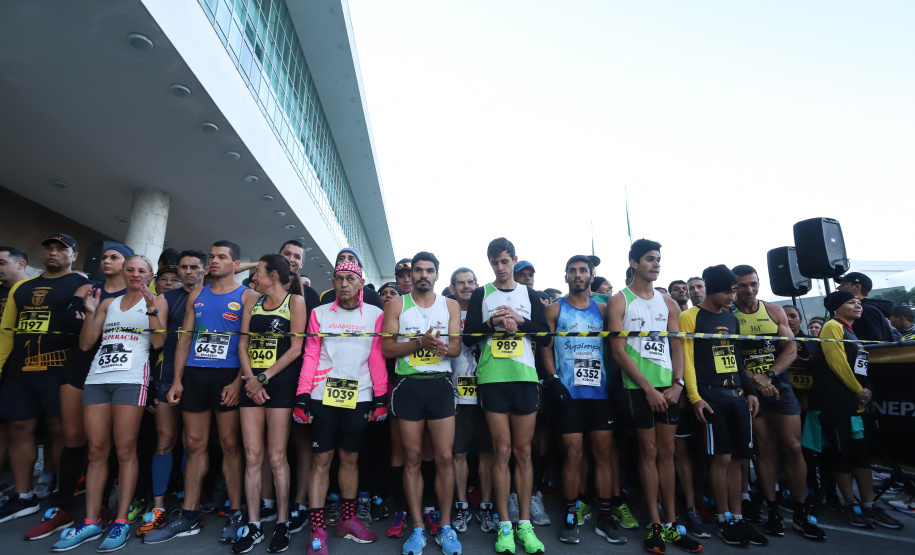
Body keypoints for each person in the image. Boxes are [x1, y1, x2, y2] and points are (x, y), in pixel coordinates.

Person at [51, 255, 167, 551]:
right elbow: (87, 343)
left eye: (142, 270)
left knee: (125, 450)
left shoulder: (157, 302)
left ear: (150, 275)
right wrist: (90, 312)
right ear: (124, 273)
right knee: (96, 450)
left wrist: (152, 310)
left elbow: (158, 343)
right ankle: (91, 521)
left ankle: (120, 522)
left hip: (132, 379)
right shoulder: (107, 302)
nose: (135, 274)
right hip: (98, 379)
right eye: (130, 269)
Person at [145, 241, 259, 544]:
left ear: (236, 264)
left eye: (222, 257)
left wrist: (238, 381)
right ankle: (189, 514)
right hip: (194, 376)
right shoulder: (197, 294)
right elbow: (183, 342)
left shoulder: (248, 296)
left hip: (227, 377)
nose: (215, 261)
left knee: (230, 445)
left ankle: (236, 512)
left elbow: (248, 344)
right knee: (193, 443)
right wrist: (178, 380)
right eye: (213, 256)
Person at [608, 239, 700, 554]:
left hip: (668, 388)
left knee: (668, 453)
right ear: (634, 263)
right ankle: (656, 524)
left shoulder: (669, 304)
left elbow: (678, 347)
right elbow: (618, 351)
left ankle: (673, 524)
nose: (656, 264)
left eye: (658, 259)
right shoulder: (620, 301)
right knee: (648, 453)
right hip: (639, 389)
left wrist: (677, 385)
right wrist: (647, 388)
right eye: (649, 259)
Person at [463, 238, 549, 555]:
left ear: (514, 260)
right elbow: (469, 335)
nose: (500, 268)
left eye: (504, 261)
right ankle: (504, 525)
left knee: (524, 451)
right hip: (493, 378)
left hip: (525, 379)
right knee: (502, 451)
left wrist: (521, 322)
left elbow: (545, 334)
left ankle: (524, 523)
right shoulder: (481, 294)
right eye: (494, 262)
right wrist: (493, 322)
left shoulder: (530, 294)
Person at [296, 258, 387, 555]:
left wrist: (381, 396)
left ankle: (347, 521)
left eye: (350, 278)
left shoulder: (375, 314)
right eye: (339, 279)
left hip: (359, 394)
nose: (344, 284)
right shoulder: (319, 312)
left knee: (350, 459)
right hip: (323, 395)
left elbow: (376, 355)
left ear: (361, 283)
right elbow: (310, 354)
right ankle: (317, 528)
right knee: (322, 460)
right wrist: (302, 395)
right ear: (333, 283)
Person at [0, 234, 92, 526]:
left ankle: (60, 494)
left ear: (73, 255)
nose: (53, 253)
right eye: (48, 248)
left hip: (61, 370)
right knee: (18, 427)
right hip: (20, 370)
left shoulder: (83, 286)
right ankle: (23, 497)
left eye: (60, 249)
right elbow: (7, 331)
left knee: (60, 431)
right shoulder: (21, 288)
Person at [730, 265, 823, 540]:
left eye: (753, 284)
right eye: (743, 285)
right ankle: (772, 510)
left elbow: (791, 348)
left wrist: (770, 375)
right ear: (734, 287)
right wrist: (754, 381)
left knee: (793, 447)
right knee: (764, 447)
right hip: (748, 387)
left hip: (778, 383)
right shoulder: (728, 315)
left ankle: (801, 511)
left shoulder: (773, 310)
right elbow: (725, 353)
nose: (749, 289)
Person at [383, 252, 463, 555]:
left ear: (437, 275)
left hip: (440, 385)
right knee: (412, 458)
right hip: (409, 386)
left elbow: (456, 347)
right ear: (411, 274)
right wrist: (419, 342)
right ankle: (417, 526)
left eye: (429, 270)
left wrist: (442, 346)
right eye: (418, 270)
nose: (423, 275)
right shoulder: (396, 304)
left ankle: (444, 526)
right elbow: (387, 348)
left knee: (444, 457)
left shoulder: (450, 305)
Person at [543, 256, 624, 545]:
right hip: (570, 393)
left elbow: (616, 347)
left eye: (583, 271)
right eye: (573, 271)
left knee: (603, 454)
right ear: (565, 276)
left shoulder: (602, 309)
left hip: (599, 393)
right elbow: (546, 348)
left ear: (591, 276)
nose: (578, 275)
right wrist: (553, 380)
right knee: (573, 454)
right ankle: (570, 515)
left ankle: (604, 515)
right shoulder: (555, 309)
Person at [681, 265, 763, 548]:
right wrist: (694, 397)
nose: (734, 296)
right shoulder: (689, 317)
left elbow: (736, 357)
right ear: (713, 289)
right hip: (710, 396)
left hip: (736, 395)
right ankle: (722, 517)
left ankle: (738, 518)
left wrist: (750, 391)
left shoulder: (732, 319)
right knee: (722, 458)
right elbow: (687, 360)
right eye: (729, 291)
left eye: (734, 290)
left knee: (740, 458)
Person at [233, 255, 307, 553]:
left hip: (278, 384)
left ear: (273, 276)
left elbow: (296, 348)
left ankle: (282, 523)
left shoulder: (295, 302)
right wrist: (250, 379)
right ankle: (252, 525)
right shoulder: (253, 300)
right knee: (252, 456)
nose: (255, 278)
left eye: (259, 273)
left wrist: (262, 379)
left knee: (276, 458)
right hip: (250, 383)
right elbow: (242, 344)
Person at [810, 291, 901, 529]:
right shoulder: (831, 326)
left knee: (861, 456)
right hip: (835, 404)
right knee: (842, 456)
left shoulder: (852, 331)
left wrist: (867, 388)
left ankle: (870, 505)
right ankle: (850, 504)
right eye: (851, 302)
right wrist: (858, 389)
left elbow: (860, 366)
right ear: (837, 308)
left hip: (855, 406)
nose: (858, 305)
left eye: (859, 301)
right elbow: (837, 362)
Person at [137, 250, 209, 539]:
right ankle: (157, 507)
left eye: (194, 267)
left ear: (206, 270)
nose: (188, 271)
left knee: (195, 444)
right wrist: (153, 309)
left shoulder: (215, 295)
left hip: (205, 379)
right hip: (168, 377)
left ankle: (190, 504)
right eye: (184, 267)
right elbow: (158, 342)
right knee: (165, 440)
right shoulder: (167, 298)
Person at [447, 268, 495, 534]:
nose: (466, 286)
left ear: (478, 286)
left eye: (470, 282)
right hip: (456, 393)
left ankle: (487, 506)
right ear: (452, 288)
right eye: (460, 283)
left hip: (488, 389)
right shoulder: (446, 312)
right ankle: (462, 506)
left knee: (489, 452)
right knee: (458, 453)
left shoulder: (488, 310)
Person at [834, 272, 895, 342]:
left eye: (843, 284)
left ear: (857, 287)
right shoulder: (867, 308)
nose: (838, 288)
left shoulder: (863, 310)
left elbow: (872, 346)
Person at [318, 249, 383, 310]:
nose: (345, 261)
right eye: (341, 258)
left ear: (359, 267)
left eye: (351, 258)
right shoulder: (326, 297)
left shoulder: (373, 297)